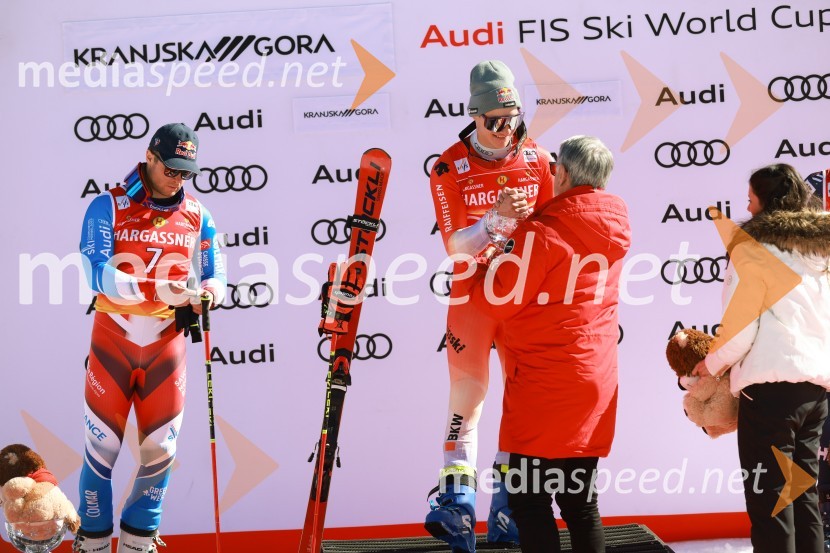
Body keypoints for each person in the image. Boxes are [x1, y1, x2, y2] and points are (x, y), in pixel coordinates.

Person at [470, 135, 630, 553]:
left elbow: (496, 299)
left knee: (529, 501)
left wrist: (489, 255)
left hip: (544, 385)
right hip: (594, 381)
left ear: (561, 173)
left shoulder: (542, 232)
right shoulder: (615, 226)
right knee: (581, 504)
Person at [74, 123, 227, 553]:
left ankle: (139, 542)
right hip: (113, 345)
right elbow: (95, 271)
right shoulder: (109, 205)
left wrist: (209, 294)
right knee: (101, 449)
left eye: (186, 172)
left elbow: (216, 273)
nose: (177, 179)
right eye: (171, 169)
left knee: (160, 451)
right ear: (150, 157)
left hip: (167, 346)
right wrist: (148, 287)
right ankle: (93, 542)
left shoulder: (199, 214)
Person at [426, 60, 554, 551]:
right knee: (468, 397)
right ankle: (457, 504)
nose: (507, 130)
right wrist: (496, 221)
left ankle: (508, 508)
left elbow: (551, 230)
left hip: (523, 297)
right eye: (495, 120)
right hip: (472, 294)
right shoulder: (449, 164)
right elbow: (455, 247)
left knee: (522, 405)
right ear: (474, 116)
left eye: (514, 118)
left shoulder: (538, 159)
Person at [693, 163, 830, 553]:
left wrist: (711, 364)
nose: (746, 208)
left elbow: (739, 329)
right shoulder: (820, 251)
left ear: (765, 202)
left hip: (770, 393)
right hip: (815, 392)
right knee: (802, 497)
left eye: (750, 199)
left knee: (770, 499)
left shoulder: (752, 250)